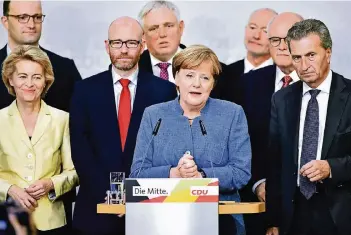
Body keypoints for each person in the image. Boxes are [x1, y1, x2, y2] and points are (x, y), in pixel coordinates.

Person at [69, 16, 177, 235]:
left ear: (143, 45)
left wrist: (136, 195)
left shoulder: (164, 91)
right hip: (96, 211)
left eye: (131, 43)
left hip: (149, 210)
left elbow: (165, 151)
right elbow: (81, 151)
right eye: (117, 43)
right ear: (107, 46)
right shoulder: (84, 90)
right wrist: (112, 196)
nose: (124, 50)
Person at [130, 45, 251, 235]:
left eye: (205, 77)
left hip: (221, 219)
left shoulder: (232, 114)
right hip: (161, 219)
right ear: (176, 78)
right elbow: (137, 173)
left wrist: (201, 177)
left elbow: (241, 173)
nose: (197, 84)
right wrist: (174, 173)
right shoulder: (154, 115)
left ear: (213, 84)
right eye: (189, 75)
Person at [266, 19, 351, 235]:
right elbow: (275, 164)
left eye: (311, 55)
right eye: (297, 58)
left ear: (328, 53)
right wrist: (273, 221)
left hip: (341, 213)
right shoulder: (281, 99)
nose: (304, 66)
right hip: (293, 215)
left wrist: (331, 168)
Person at [236, 12, 304, 235]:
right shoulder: (246, 84)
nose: (282, 46)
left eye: (289, 39)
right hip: (256, 204)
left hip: (309, 205)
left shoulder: (320, 86)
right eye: (275, 40)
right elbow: (238, 143)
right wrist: (258, 182)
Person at [0, 45, 78, 235]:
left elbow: (74, 171)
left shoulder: (62, 119)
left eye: (37, 77)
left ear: (46, 81)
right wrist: (10, 189)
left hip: (52, 222)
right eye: (22, 76)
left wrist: (51, 184)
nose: (30, 83)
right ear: (10, 80)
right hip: (8, 221)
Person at [0, 0, 82, 111]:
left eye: (37, 17)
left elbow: (83, 120)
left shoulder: (66, 69)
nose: (31, 25)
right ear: (6, 22)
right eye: (23, 17)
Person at [213, 8, 277, 103]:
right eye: (252, 27)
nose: (256, 36)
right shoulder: (223, 74)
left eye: (265, 31)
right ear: (245, 29)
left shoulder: (282, 79)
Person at [137, 0, 185, 82]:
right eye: (153, 28)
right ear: (143, 35)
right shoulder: (132, 67)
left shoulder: (203, 64)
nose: (162, 34)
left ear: (180, 28)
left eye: (169, 26)